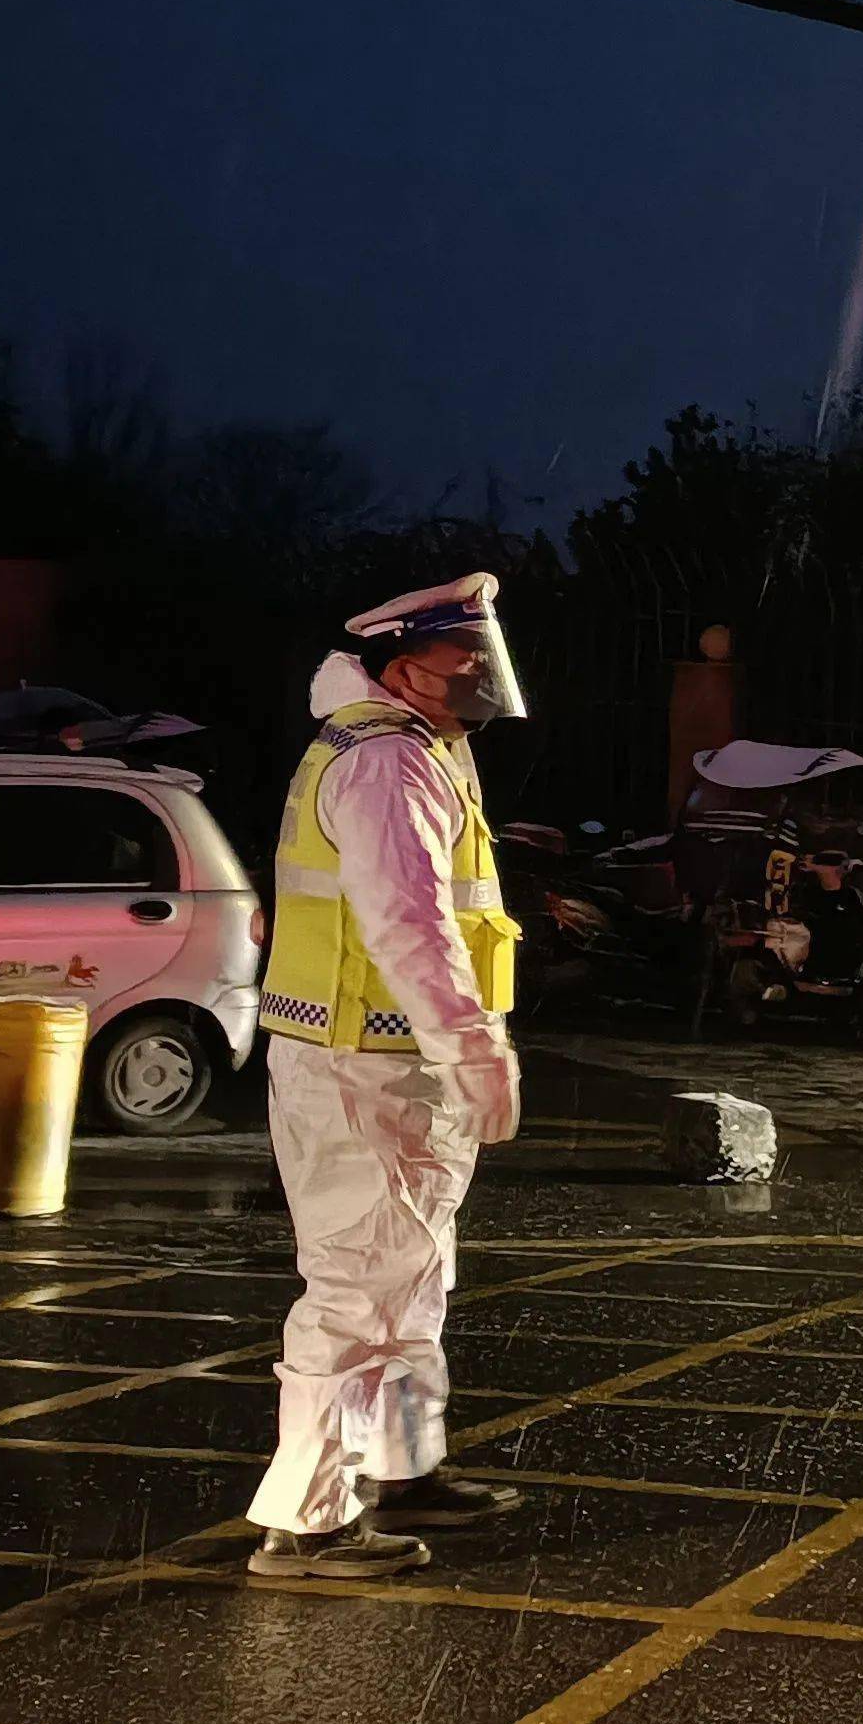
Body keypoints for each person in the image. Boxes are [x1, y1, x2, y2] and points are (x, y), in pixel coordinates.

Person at [244, 573, 532, 1580]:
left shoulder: (417, 749)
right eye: (470, 667)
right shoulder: (386, 766)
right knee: (360, 1289)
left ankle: (406, 1467)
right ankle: (307, 1519)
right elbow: (410, 928)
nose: (486, 683)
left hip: (379, 1063)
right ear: (408, 671)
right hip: (365, 1066)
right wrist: (474, 1050)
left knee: (408, 1282)